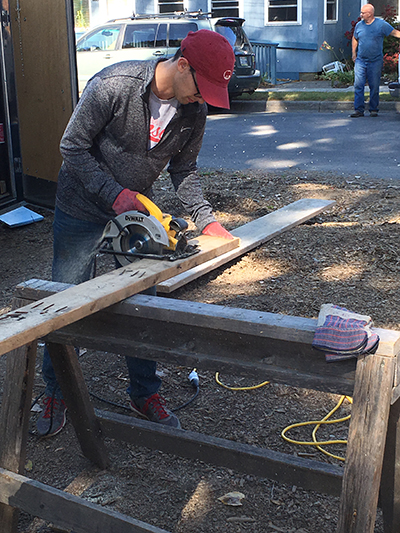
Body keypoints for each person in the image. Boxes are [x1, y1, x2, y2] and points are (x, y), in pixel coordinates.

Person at [36, 29, 235, 437]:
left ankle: (144, 392)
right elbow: (71, 146)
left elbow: (184, 169)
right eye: (202, 89)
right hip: (81, 206)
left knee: (142, 302)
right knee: (65, 299)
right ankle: (55, 391)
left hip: (135, 214)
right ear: (183, 65)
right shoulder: (115, 84)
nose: (203, 100)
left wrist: (205, 217)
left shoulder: (193, 111)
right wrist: (114, 193)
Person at [351, 3, 400, 117]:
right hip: (361, 60)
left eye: (363, 13)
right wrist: (354, 53)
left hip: (375, 61)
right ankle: (358, 110)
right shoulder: (359, 25)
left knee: (374, 85)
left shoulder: (381, 25)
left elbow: (394, 33)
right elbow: (355, 38)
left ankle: (373, 109)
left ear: (370, 14)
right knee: (358, 85)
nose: (361, 15)